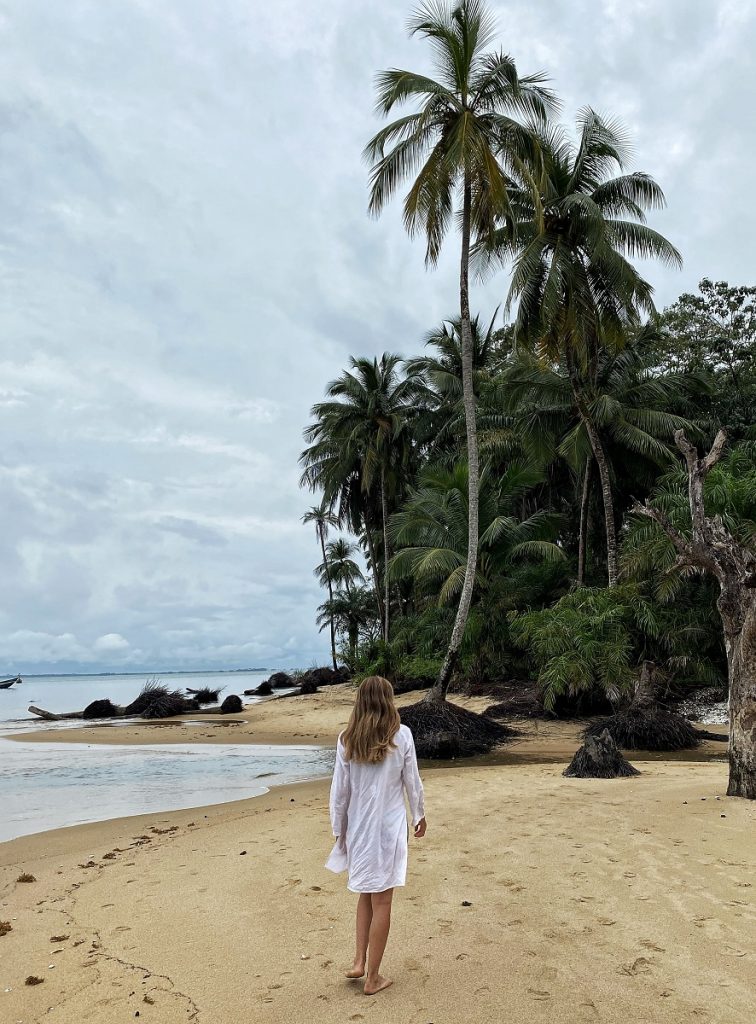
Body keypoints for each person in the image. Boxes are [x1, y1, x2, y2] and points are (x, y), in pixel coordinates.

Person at [325, 675, 426, 995]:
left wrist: (338, 828)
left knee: (365, 894)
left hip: (359, 828)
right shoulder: (402, 735)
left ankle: (359, 960)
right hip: (388, 828)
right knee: (382, 899)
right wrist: (419, 814)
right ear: (388, 700)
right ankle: (372, 977)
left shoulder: (347, 738)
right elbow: (412, 780)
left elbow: (339, 792)